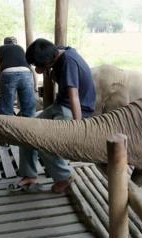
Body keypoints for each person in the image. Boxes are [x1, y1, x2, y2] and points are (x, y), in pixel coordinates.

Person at [10, 38, 96, 193]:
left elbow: (74, 96)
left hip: (75, 109)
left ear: (47, 61)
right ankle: (29, 175)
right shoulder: (59, 51)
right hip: (60, 105)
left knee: (45, 140)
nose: (36, 68)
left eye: (37, 65)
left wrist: (79, 127)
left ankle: (64, 177)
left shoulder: (69, 61)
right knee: (25, 131)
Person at [0, 36, 36, 117]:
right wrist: (35, 85)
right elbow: (31, 68)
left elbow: (0, 69)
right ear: (16, 43)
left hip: (8, 73)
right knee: (29, 109)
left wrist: (2, 86)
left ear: (4, 43)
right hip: (26, 73)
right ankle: (30, 127)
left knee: (6, 108)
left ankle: (7, 125)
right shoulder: (21, 48)